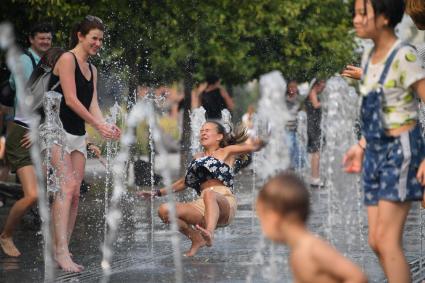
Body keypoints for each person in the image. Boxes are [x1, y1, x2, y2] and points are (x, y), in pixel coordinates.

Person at [343, 1, 425, 282]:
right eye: (354, 13)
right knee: (376, 241)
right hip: (376, 151)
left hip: (400, 151)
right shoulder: (371, 58)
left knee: (388, 242)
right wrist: (361, 145)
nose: (355, 20)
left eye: (362, 14)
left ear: (385, 18)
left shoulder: (404, 56)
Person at [47, 16, 121, 272]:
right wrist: (97, 125)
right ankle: (59, 251)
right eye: (94, 38)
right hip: (54, 131)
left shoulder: (93, 69)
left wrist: (106, 125)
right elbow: (70, 100)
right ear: (80, 35)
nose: (98, 43)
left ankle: (63, 247)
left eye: (101, 39)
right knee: (66, 186)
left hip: (76, 134)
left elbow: (91, 104)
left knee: (76, 193)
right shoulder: (67, 59)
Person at [138, 121, 263, 257]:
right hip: (202, 204)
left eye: (208, 130)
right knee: (164, 210)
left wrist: (266, 137)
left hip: (224, 203)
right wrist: (157, 192)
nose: (203, 132)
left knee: (210, 194)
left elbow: (254, 146)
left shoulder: (227, 151)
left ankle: (208, 233)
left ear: (219, 137)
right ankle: (196, 238)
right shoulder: (197, 157)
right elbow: (184, 182)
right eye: (202, 130)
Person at [0, 22, 53, 257]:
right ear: (31, 40)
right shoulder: (24, 61)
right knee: (32, 194)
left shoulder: (48, 64)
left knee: (45, 190)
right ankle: (6, 235)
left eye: (48, 39)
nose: (45, 42)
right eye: (41, 38)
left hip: (37, 133)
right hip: (23, 133)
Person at [256, 172, 367, 283]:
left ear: (274, 217)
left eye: (262, 218)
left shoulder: (311, 248)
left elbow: (357, 276)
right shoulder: (299, 251)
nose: (263, 228)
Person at [305, 79, 326, 186]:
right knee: (316, 152)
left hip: (315, 126)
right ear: (317, 84)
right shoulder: (312, 92)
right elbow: (316, 105)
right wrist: (327, 102)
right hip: (313, 126)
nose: (323, 89)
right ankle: (315, 177)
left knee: (316, 152)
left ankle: (314, 177)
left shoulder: (312, 92)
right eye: (322, 86)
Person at [285, 80, 305, 170]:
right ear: (287, 89)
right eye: (290, 87)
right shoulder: (284, 99)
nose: (292, 89)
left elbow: (302, 112)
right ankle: (288, 167)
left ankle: (296, 169)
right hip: (287, 128)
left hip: (296, 129)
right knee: (289, 147)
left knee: (298, 150)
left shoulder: (299, 99)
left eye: (294, 87)